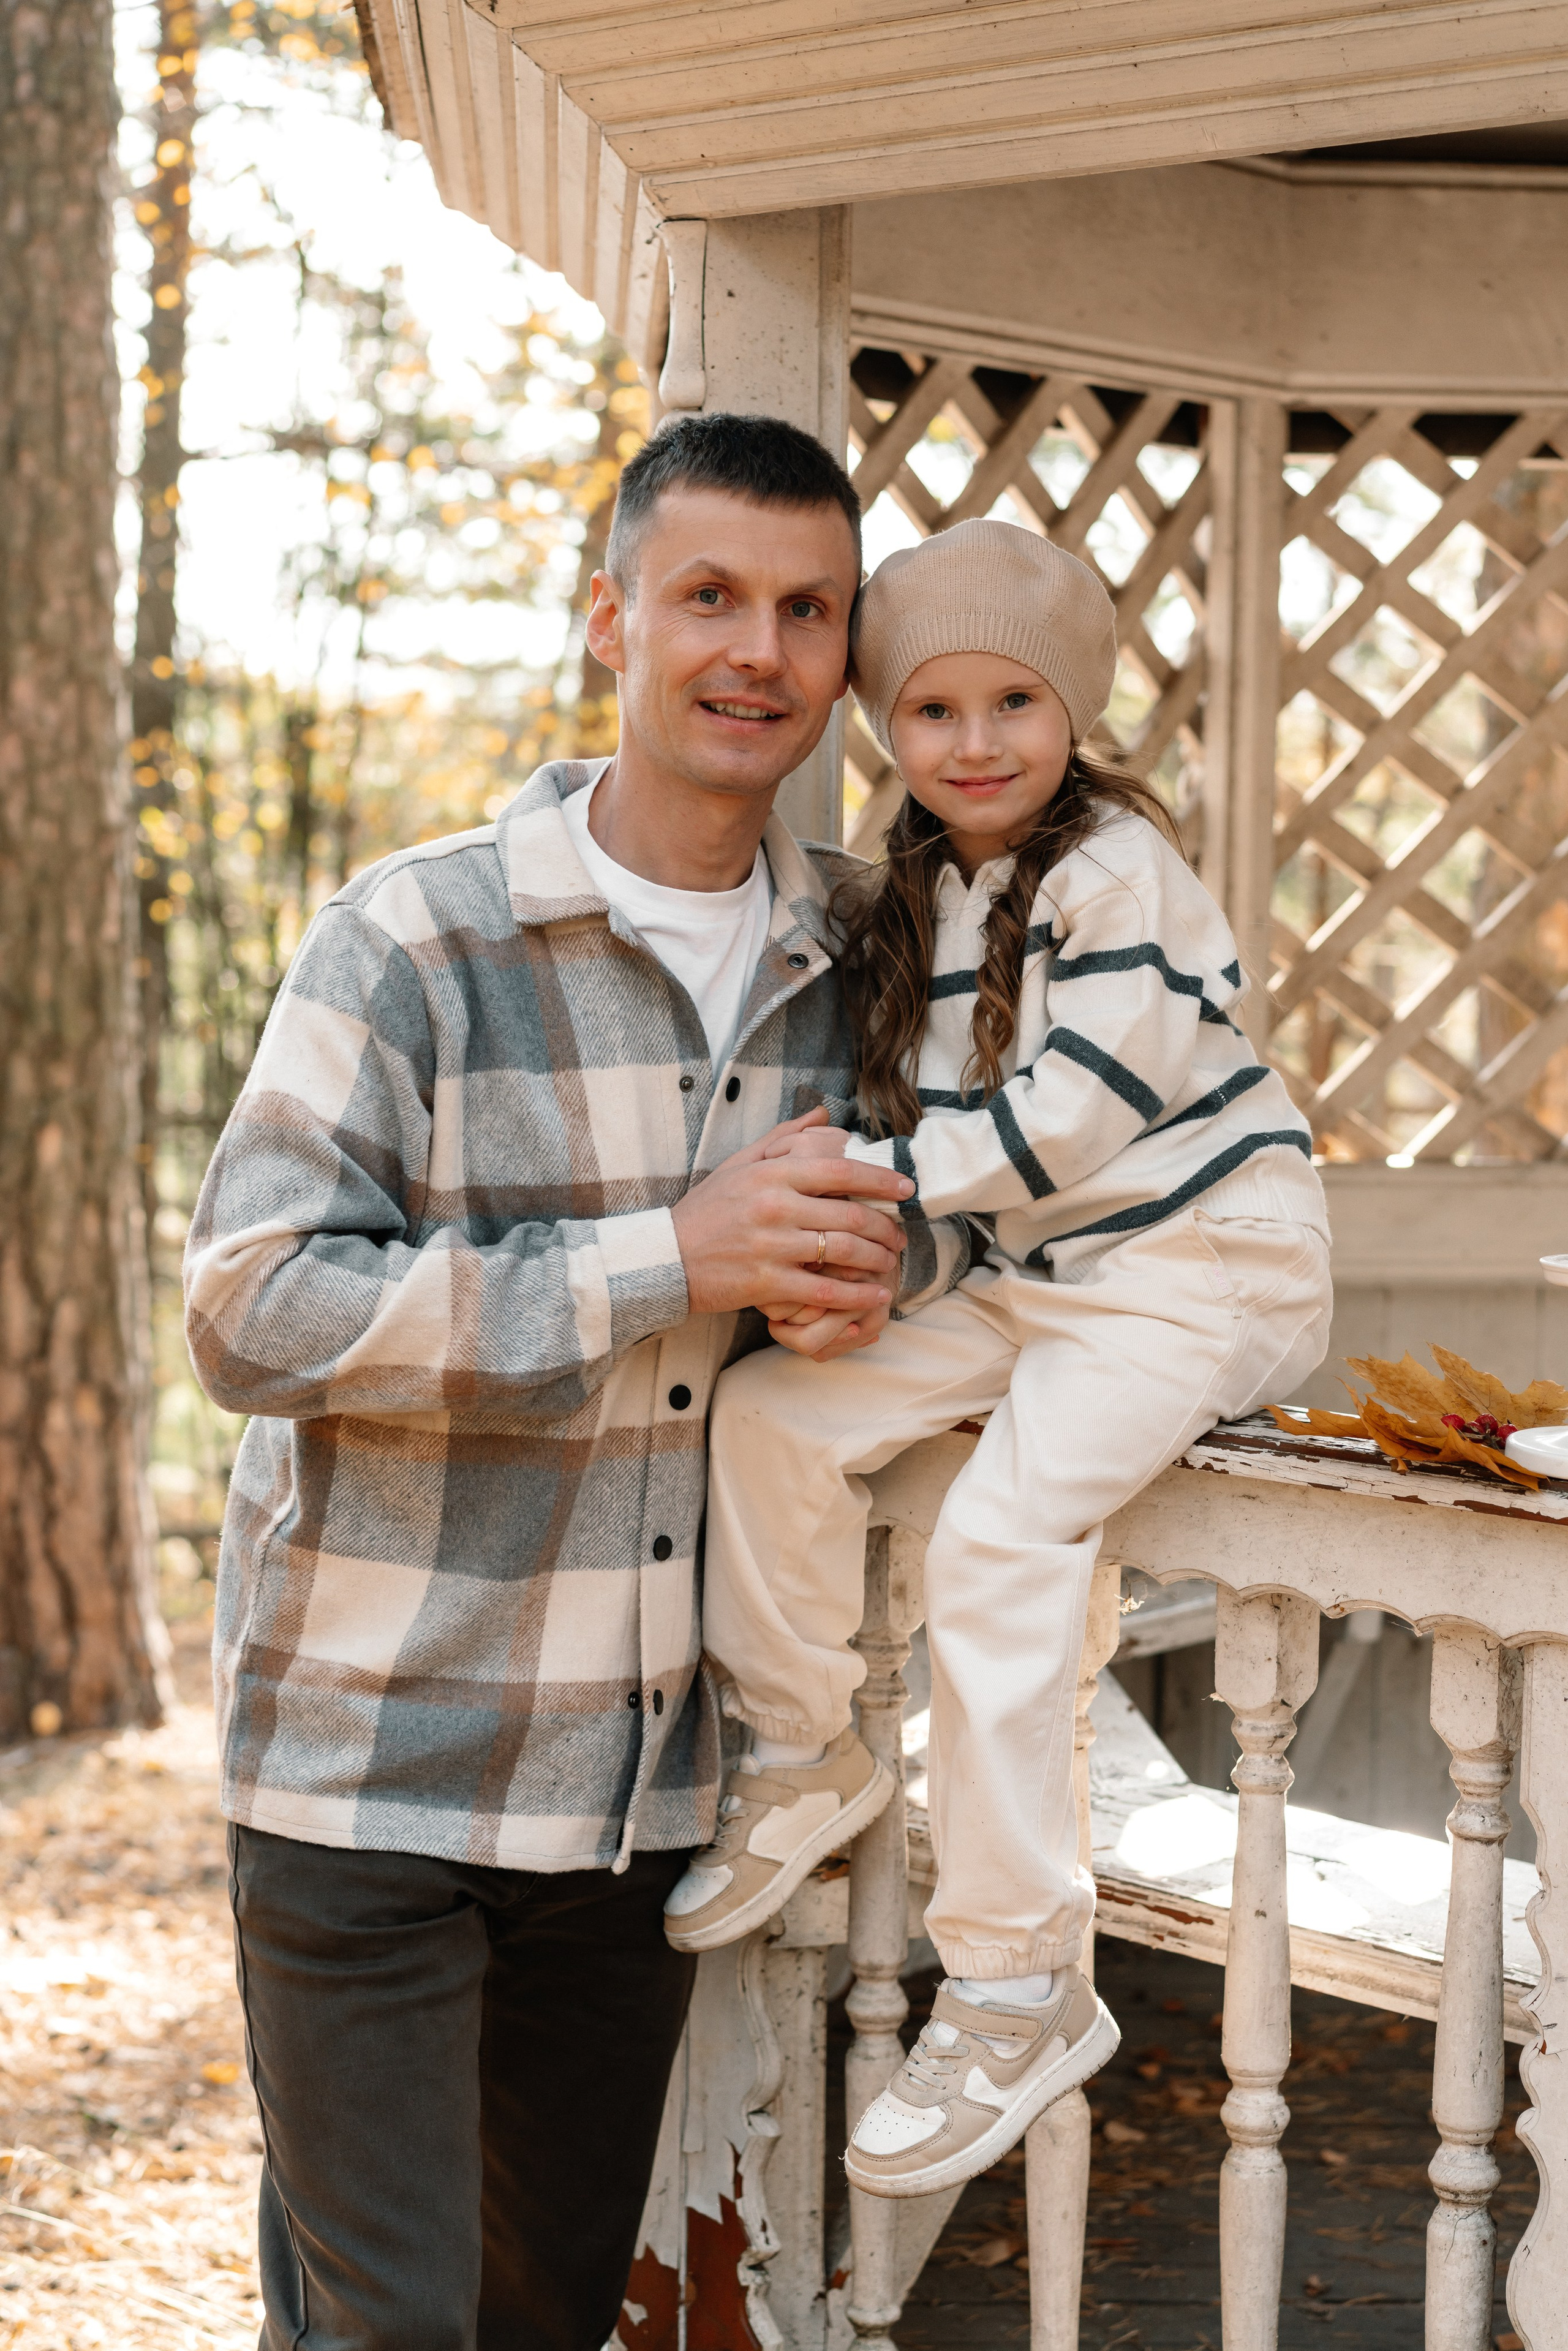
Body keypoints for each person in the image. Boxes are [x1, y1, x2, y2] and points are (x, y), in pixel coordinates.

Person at [182, 414, 974, 2349]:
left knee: (534, 2330)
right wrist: (664, 1261)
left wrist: (892, 1262)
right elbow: (252, 1310)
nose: (756, 652)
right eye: (709, 595)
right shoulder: (418, 936)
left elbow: (987, 1208)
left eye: (807, 610)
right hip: (371, 1779)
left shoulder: (871, 956)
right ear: (607, 614)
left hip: (632, 1813)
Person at [665, 519, 1332, 2198]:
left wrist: (868, 1199)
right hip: (1050, 1271)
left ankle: (1023, 1974)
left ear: (1073, 709)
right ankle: (805, 1744)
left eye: (1012, 704)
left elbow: (1074, 1118)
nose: (975, 743)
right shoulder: (928, 888)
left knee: (998, 1540)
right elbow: (971, 1161)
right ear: (891, 722)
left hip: (1198, 1271)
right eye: (937, 709)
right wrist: (872, 1282)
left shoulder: (1117, 876)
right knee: (771, 1413)